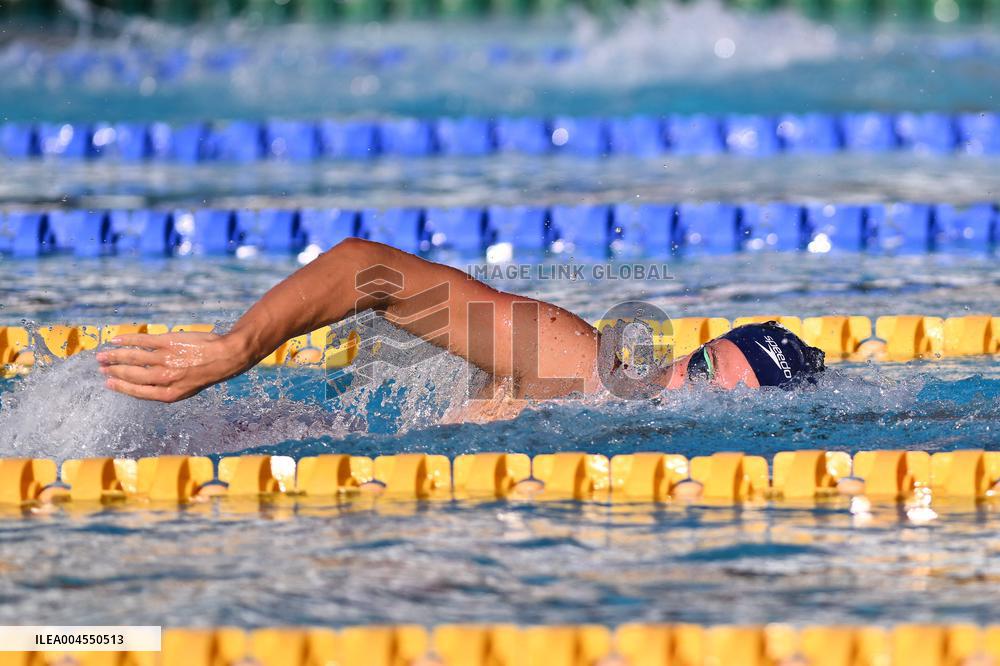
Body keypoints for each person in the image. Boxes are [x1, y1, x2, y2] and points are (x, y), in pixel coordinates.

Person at [96, 238, 826, 421]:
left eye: (702, 384)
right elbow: (367, 271)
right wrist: (238, 347)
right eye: (693, 369)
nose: (672, 382)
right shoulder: (581, 364)